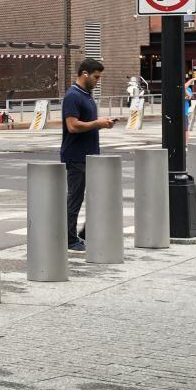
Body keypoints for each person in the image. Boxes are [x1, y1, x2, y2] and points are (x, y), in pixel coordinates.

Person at [61, 58, 117, 252]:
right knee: (75, 199)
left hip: (90, 155)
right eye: (96, 76)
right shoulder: (73, 96)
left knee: (96, 196)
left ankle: (85, 233)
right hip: (76, 156)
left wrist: (103, 123)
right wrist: (98, 123)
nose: (98, 80)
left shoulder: (87, 95)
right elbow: (72, 125)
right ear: (85, 73)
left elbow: (86, 123)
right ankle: (68, 238)